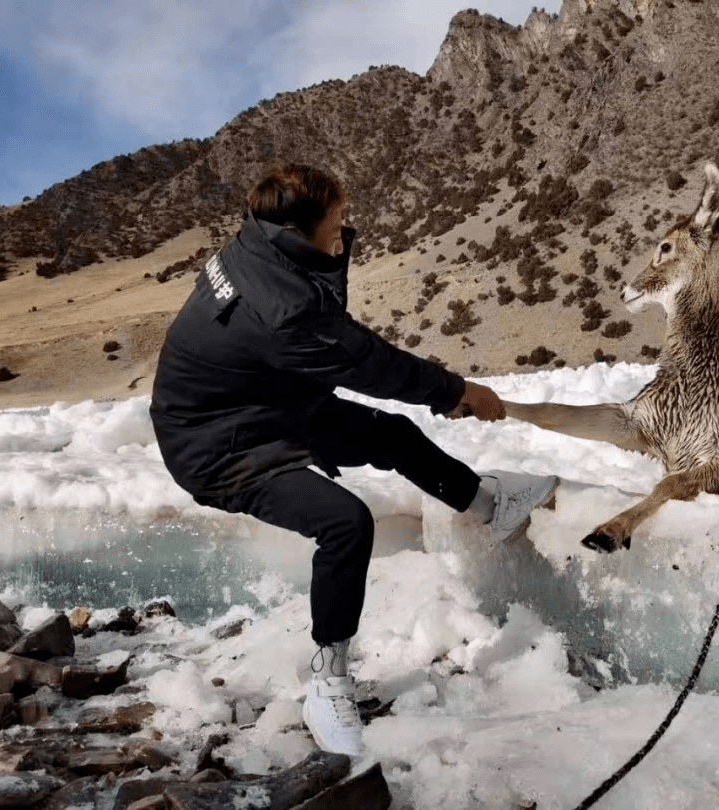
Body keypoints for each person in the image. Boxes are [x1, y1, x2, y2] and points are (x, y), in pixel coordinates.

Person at [148, 164, 558, 757]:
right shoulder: (281, 309)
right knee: (345, 523)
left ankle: (488, 505)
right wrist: (459, 392)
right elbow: (368, 364)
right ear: (296, 228)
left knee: (391, 435)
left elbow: (325, 323)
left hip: (266, 403)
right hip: (216, 447)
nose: (343, 232)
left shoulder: (259, 243)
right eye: (336, 223)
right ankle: (328, 677)